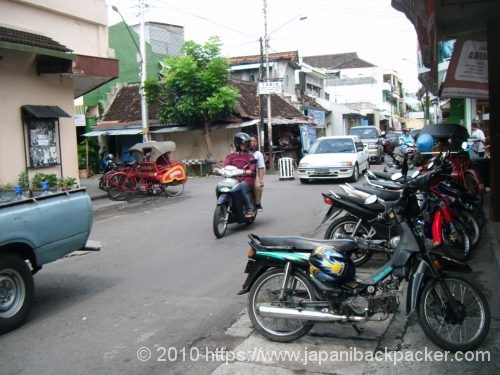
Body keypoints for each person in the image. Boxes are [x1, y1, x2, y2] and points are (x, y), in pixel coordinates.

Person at [224, 132, 256, 218]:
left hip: (247, 177)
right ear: (237, 144)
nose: (244, 146)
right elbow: (226, 165)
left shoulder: (250, 155)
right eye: (242, 144)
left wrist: (250, 170)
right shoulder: (231, 155)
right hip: (234, 177)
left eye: (246, 144)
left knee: (241, 187)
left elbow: (252, 165)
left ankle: (250, 208)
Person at [249, 134, 265, 210]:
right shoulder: (241, 152)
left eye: (254, 141)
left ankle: (257, 203)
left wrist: (261, 179)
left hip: (253, 175)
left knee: (258, 186)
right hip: (241, 174)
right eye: (251, 141)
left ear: (256, 143)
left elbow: (261, 167)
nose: (252, 143)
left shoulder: (258, 154)